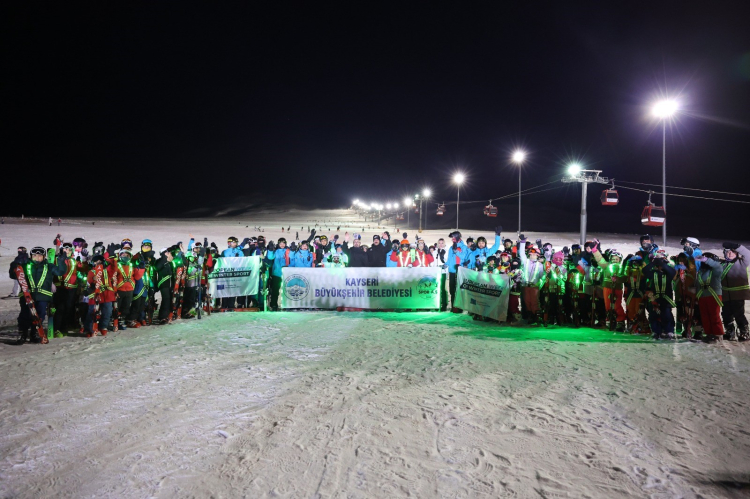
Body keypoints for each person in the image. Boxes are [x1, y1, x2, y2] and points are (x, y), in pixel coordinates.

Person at [13, 246, 69, 343]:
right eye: (34, 256)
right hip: (27, 296)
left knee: (40, 315)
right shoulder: (25, 265)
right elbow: (13, 274)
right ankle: (23, 334)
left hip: (43, 296)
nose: (37, 258)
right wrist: (16, 262)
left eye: (39, 256)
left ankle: (34, 333)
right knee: (25, 315)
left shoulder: (49, 266)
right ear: (31, 256)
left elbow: (61, 271)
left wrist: (61, 261)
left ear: (44, 257)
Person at [642, 249, 677, 340]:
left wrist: (662, 263)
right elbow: (644, 270)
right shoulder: (653, 273)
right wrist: (654, 262)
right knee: (654, 315)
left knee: (667, 315)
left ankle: (669, 331)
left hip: (666, 298)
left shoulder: (668, 273)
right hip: (655, 297)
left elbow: (673, 272)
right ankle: (656, 331)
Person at [592, 246, 626, 331]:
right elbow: (600, 260)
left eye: (616, 259)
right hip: (607, 288)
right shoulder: (607, 266)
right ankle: (611, 319)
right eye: (613, 259)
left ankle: (620, 321)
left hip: (617, 289)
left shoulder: (622, 268)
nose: (614, 261)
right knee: (608, 305)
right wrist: (595, 251)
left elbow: (625, 278)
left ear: (620, 260)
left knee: (616, 305)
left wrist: (618, 279)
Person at [720, 242, 749, 341]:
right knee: (726, 314)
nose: (730, 254)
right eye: (728, 252)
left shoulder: (742, 262)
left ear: (737, 253)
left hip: (738, 294)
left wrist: (738, 247)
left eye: (733, 252)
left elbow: (748, 254)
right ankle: (730, 332)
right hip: (725, 295)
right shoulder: (722, 264)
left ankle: (744, 332)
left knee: (738, 314)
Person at [695, 253, 725, 343]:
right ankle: (709, 333)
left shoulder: (715, 271)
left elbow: (718, 267)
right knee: (705, 316)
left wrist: (707, 260)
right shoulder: (700, 272)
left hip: (713, 295)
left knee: (714, 315)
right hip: (702, 296)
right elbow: (698, 284)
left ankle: (717, 334)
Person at [85, 253, 116, 336]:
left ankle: (103, 326)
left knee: (107, 311)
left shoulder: (107, 271)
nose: (98, 263)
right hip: (95, 295)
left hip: (107, 295)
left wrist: (110, 259)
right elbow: (89, 282)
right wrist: (93, 280)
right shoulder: (91, 272)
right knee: (92, 312)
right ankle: (89, 329)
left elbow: (114, 267)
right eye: (96, 261)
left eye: (100, 261)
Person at [518, 238, 544, 325]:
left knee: (534, 302)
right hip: (525, 286)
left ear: (537, 256)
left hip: (534, 287)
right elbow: (521, 253)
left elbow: (541, 276)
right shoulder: (526, 262)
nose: (532, 256)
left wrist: (539, 285)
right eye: (531, 254)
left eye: (534, 255)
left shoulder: (540, 265)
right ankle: (530, 316)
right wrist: (522, 242)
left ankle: (536, 316)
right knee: (527, 302)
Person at [447, 231, 468, 312]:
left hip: (459, 270)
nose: (452, 239)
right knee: (452, 289)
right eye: (451, 237)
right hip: (452, 271)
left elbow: (464, 257)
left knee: (459, 289)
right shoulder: (451, 247)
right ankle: (453, 306)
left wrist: (457, 252)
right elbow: (449, 259)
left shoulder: (463, 247)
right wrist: (445, 264)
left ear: (457, 237)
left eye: (453, 237)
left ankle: (459, 307)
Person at [266, 238, 290, 311]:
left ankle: (287, 305)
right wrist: (270, 250)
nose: (282, 245)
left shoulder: (288, 251)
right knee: (275, 290)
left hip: (286, 273)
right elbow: (270, 257)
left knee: (287, 290)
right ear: (278, 244)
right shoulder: (276, 251)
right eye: (280, 243)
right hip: (277, 273)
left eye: (283, 243)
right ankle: (274, 304)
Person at [153, 248, 174, 324]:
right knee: (166, 300)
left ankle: (167, 315)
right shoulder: (160, 261)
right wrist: (164, 258)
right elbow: (157, 267)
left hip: (169, 284)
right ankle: (162, 317)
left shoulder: (169, 262)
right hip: (163, 284)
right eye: (167, 252)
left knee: (169, 300)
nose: (169, 253)